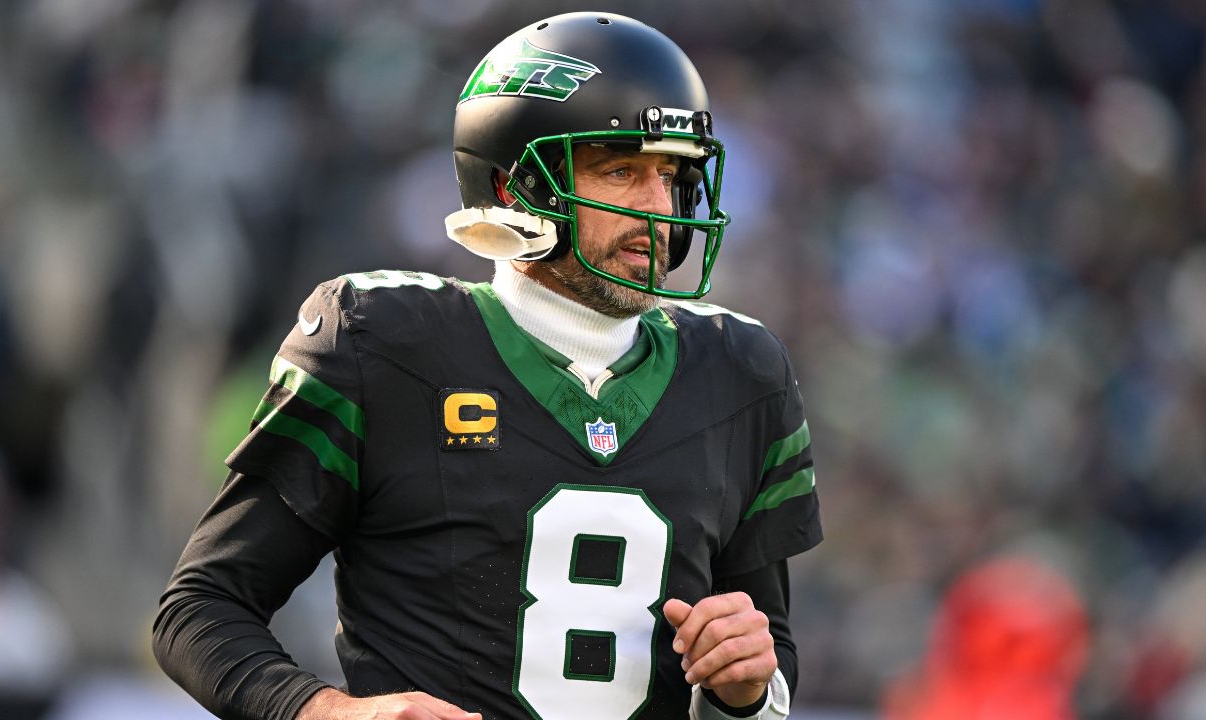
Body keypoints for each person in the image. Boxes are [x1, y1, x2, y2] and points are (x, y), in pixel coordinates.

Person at [153, 12, 821, 720]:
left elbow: (764, 662)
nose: (660, 209)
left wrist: (743, 690)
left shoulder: (742, 372)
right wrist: (328, 711)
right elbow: (198, 609)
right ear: (515, 185)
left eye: (673, 175)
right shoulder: (381, 342)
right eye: (622, 170)